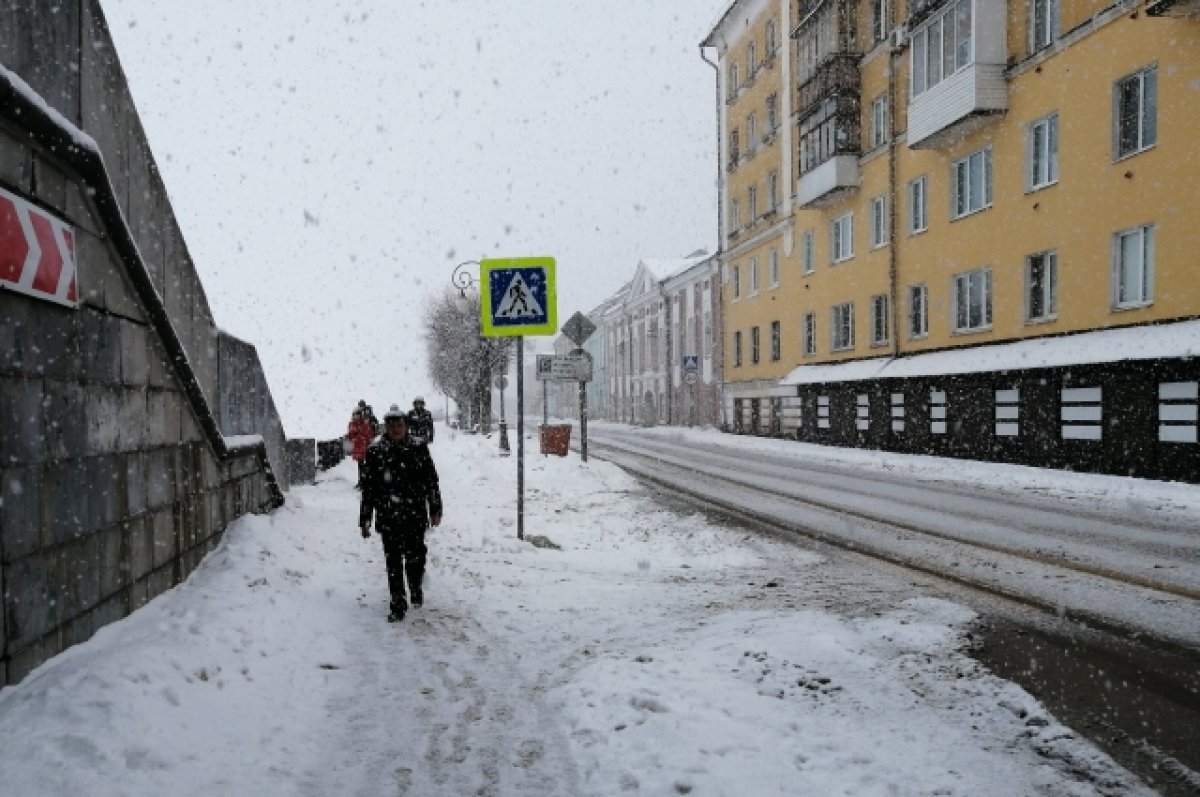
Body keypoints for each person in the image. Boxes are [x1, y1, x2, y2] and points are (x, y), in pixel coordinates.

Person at [359, 404, 442, 622]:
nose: (396, 429)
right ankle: (398, 603)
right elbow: (369, 488)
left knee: (416, 557)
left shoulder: (418, 448)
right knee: (393, 561)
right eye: (392, 426)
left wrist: (435, 509)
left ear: (406, 426)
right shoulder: (376, 452)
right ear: (386, 427)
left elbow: (431, 481)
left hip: (414, 515)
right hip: (388, 517)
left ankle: (415, 586)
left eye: (399, 425)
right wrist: (365, 518)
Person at [345, 409, 374, 489]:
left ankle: (363, 482)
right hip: (357, 448)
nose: (356, 417)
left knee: (364, 467)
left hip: (364, 448)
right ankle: (361, 482)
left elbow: (369, 435)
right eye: (355, 415)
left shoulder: (364, 424)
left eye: (357, 415)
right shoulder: (352, 424)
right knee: (360, 466)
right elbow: (350, 435)